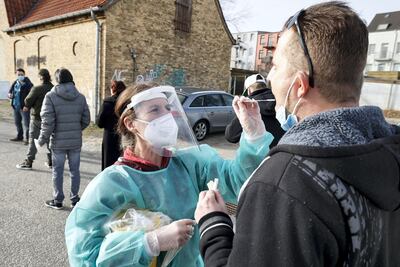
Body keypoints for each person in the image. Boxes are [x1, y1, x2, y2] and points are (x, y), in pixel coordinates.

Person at [195, 2, 400, 266]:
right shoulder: (390, 152)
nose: (269, 77)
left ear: (300, 85)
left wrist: (214, 227)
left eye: (277, 67)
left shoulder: (284, 183)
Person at [65, 82, 273, 266]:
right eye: (155, 110)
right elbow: (84, 255)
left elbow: (237, 180)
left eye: (168, 107)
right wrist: (150, 242)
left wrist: (253, 134)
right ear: (131, 124)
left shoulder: (189, 164)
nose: (167, 115)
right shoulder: (111, 184)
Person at [37, 68, 90, 209]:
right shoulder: (80, 97)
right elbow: (86, 120)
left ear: (57, 80)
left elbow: (47, 122)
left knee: (57, 171)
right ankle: (75, 199)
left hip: (58, 142)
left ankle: (58, 200)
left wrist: (42, 139)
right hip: (75, 141)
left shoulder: (50, 96)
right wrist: (76, 130)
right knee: (75, 171)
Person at [225, 74, 284, 148]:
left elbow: (231, 136)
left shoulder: (249, 106)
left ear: (249, 91)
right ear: (265, 86)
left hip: (261, 156)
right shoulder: (281, 101)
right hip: (283, 152)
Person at [16, 69, 53, 170]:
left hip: (37, 118)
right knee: (49, 139)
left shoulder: (37, 88)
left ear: (41, 77)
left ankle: (29, 161)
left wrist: (27, 106)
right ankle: (51, 161)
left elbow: (28, 101)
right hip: (51, 119)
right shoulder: (54, 88)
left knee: (33, 139)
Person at [96, 80, 126, 170]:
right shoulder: (127, 103)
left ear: (113, 89)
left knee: (108, 164)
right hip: (124, 136)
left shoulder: (107, 103)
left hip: (109, 137)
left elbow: (99, 123)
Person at [8, 68, 33, 144]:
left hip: (24, 107)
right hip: (16, 106)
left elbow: (32, 96)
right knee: (17, 122)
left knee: (26, 124)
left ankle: (28, 139)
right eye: (18, 74)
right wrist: (9, 95)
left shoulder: (28, 84)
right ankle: (20, 136)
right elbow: (10, 91)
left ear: (24, 75)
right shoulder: (15, 82)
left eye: (21, 74)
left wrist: (27, 106)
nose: (20, 76)